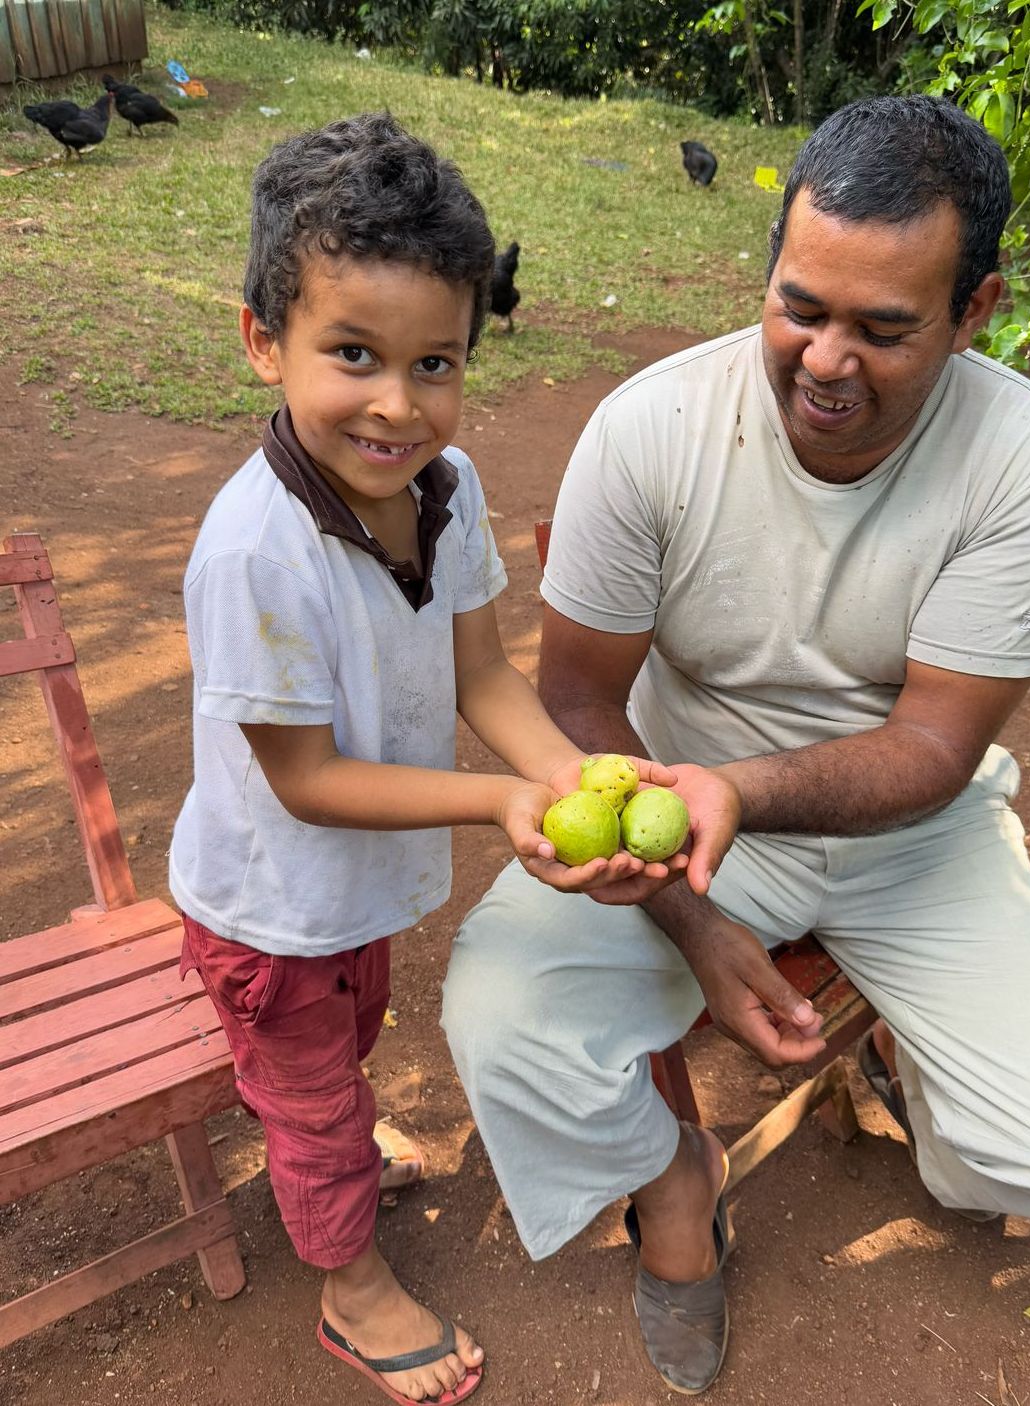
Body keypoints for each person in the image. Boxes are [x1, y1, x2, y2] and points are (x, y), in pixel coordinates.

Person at [441, 94, 1030, 1395]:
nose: (825, 361)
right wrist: (698, 922)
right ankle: (674, 1188)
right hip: (688, 811)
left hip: (916, 834)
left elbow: (934, 745)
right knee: (499, 1014)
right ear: (769, 264)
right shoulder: (651, 431)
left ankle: (925, 1075)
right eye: (799, 306)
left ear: (975, 310)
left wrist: (735, 792)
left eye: (883, 329)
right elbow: (582, 703)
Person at [167, 112, 689, 1406]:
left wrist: (569, 779)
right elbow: (307, 779)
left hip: (354, 895)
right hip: (268, 905)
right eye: (354, 354)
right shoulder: (254, 552)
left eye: (435, 361)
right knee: (310, 1096)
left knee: (353, 1038)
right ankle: (350, 1289)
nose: (398, 402)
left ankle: (327, 1134)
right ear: (261, 340)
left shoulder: (442, 491)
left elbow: (486, 677)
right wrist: (503, 798)